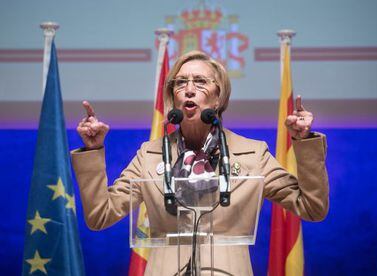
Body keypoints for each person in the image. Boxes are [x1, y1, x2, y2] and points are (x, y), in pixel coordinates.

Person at [71, 51, 329, 275]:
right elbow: (100, 216)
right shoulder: (149, 155)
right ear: (173, 97)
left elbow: (312, 208)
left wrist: (303, 142)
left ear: (218, 98)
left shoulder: (252, 153)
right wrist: (93, 150)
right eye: (181, 83)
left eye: (201, 82)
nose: (189, 89)